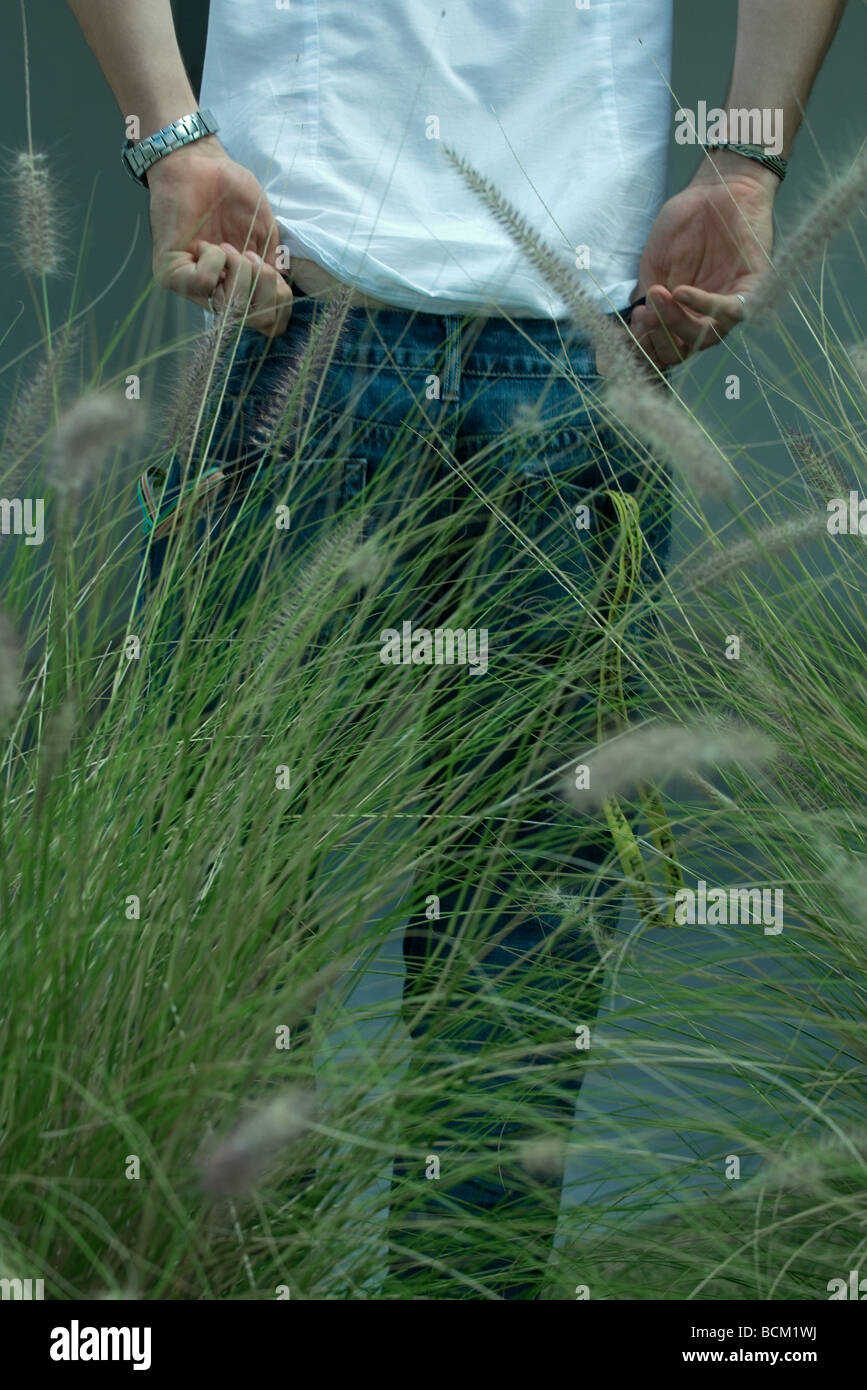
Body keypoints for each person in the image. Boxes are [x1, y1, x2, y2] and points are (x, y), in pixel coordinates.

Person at [67, 0, 847, 1300]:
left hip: (329, 321)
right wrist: (744, 160)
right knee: (506, 942)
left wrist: (171, 135)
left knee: (219, 925)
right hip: (444, 331)